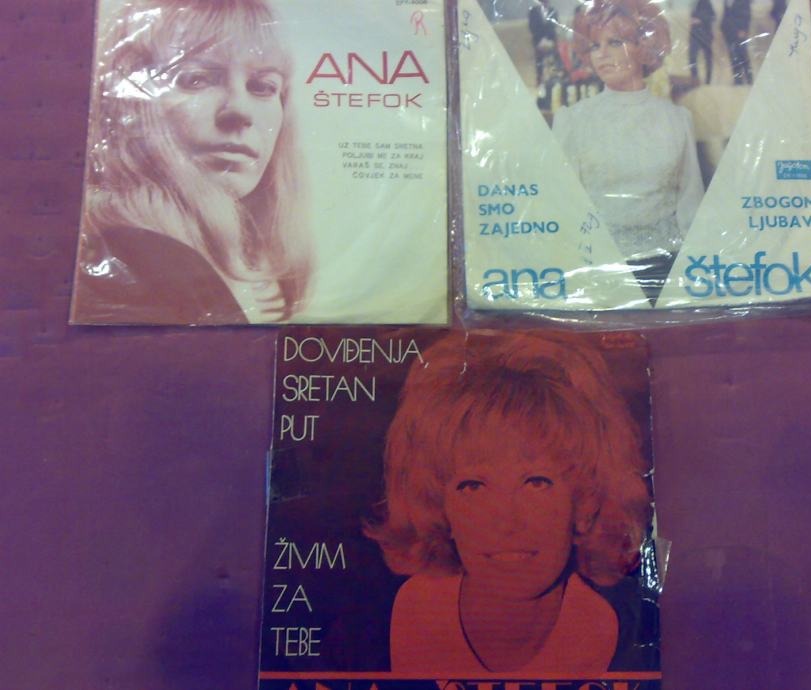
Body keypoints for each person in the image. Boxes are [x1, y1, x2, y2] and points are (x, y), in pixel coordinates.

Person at [365, 331, 652, 674]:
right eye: (473, 486)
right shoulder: (387, 625)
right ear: (438, 507)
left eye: (536, 483)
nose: (506, 521)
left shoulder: (623, 633)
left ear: (585, 504)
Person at [71, 0, 311, 325]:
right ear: (130, 106)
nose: (239, 111)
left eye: (263, 87)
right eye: (196, 79)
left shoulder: (237, 268)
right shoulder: (137, 259)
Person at [552, 0, 704, 302]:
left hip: (668, 270)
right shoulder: (572, 120)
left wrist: (691, 277)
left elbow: (691, 205)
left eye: (614, 42)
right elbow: (563, 207)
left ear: (644, 47)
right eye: (594, 45)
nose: (601, 54)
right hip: (598, 272)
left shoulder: (677, 119)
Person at [722, 0, 753, 85]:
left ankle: (749, 79)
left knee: (743, 56)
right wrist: (723, 28)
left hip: (740, 32)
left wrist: (744, 29)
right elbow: (726, 14)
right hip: (729, 33)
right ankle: (738, 80)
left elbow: (747, 15)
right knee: (733, 57)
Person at [689, 0, 716, 85]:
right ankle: (695, 80)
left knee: (707, 60)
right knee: (692, 58)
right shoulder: (695, 3)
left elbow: (713, 17)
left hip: (705, 34)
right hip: (695, 35)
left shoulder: (706, 2)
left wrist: (699, 19)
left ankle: (707, 81)